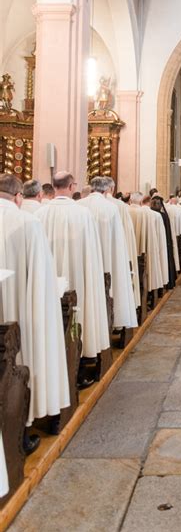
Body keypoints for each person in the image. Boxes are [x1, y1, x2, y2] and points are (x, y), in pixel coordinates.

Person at [0, 174, 69, 447]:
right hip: (19, 310)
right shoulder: (28, 222)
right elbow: (41, 278)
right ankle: (24, 422)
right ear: (18, 196)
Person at [37, 172, 110, 383]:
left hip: (50, 281)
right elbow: (92, 254)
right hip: (78, 277)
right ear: (71, 187)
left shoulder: (41, 214)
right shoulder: (82, 214)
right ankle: (79, 364)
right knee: (80, 316)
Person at [79, 177, 138, 331]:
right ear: (107, 190)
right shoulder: (112, 208)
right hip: (107, 259)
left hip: (83, 260)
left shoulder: (79, 205)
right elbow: (118, 240)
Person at [103, 177, 140, 310]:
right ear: (112, 189)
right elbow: (127, 234)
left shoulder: (82, 205)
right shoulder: (119, 206)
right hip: (115, 254)